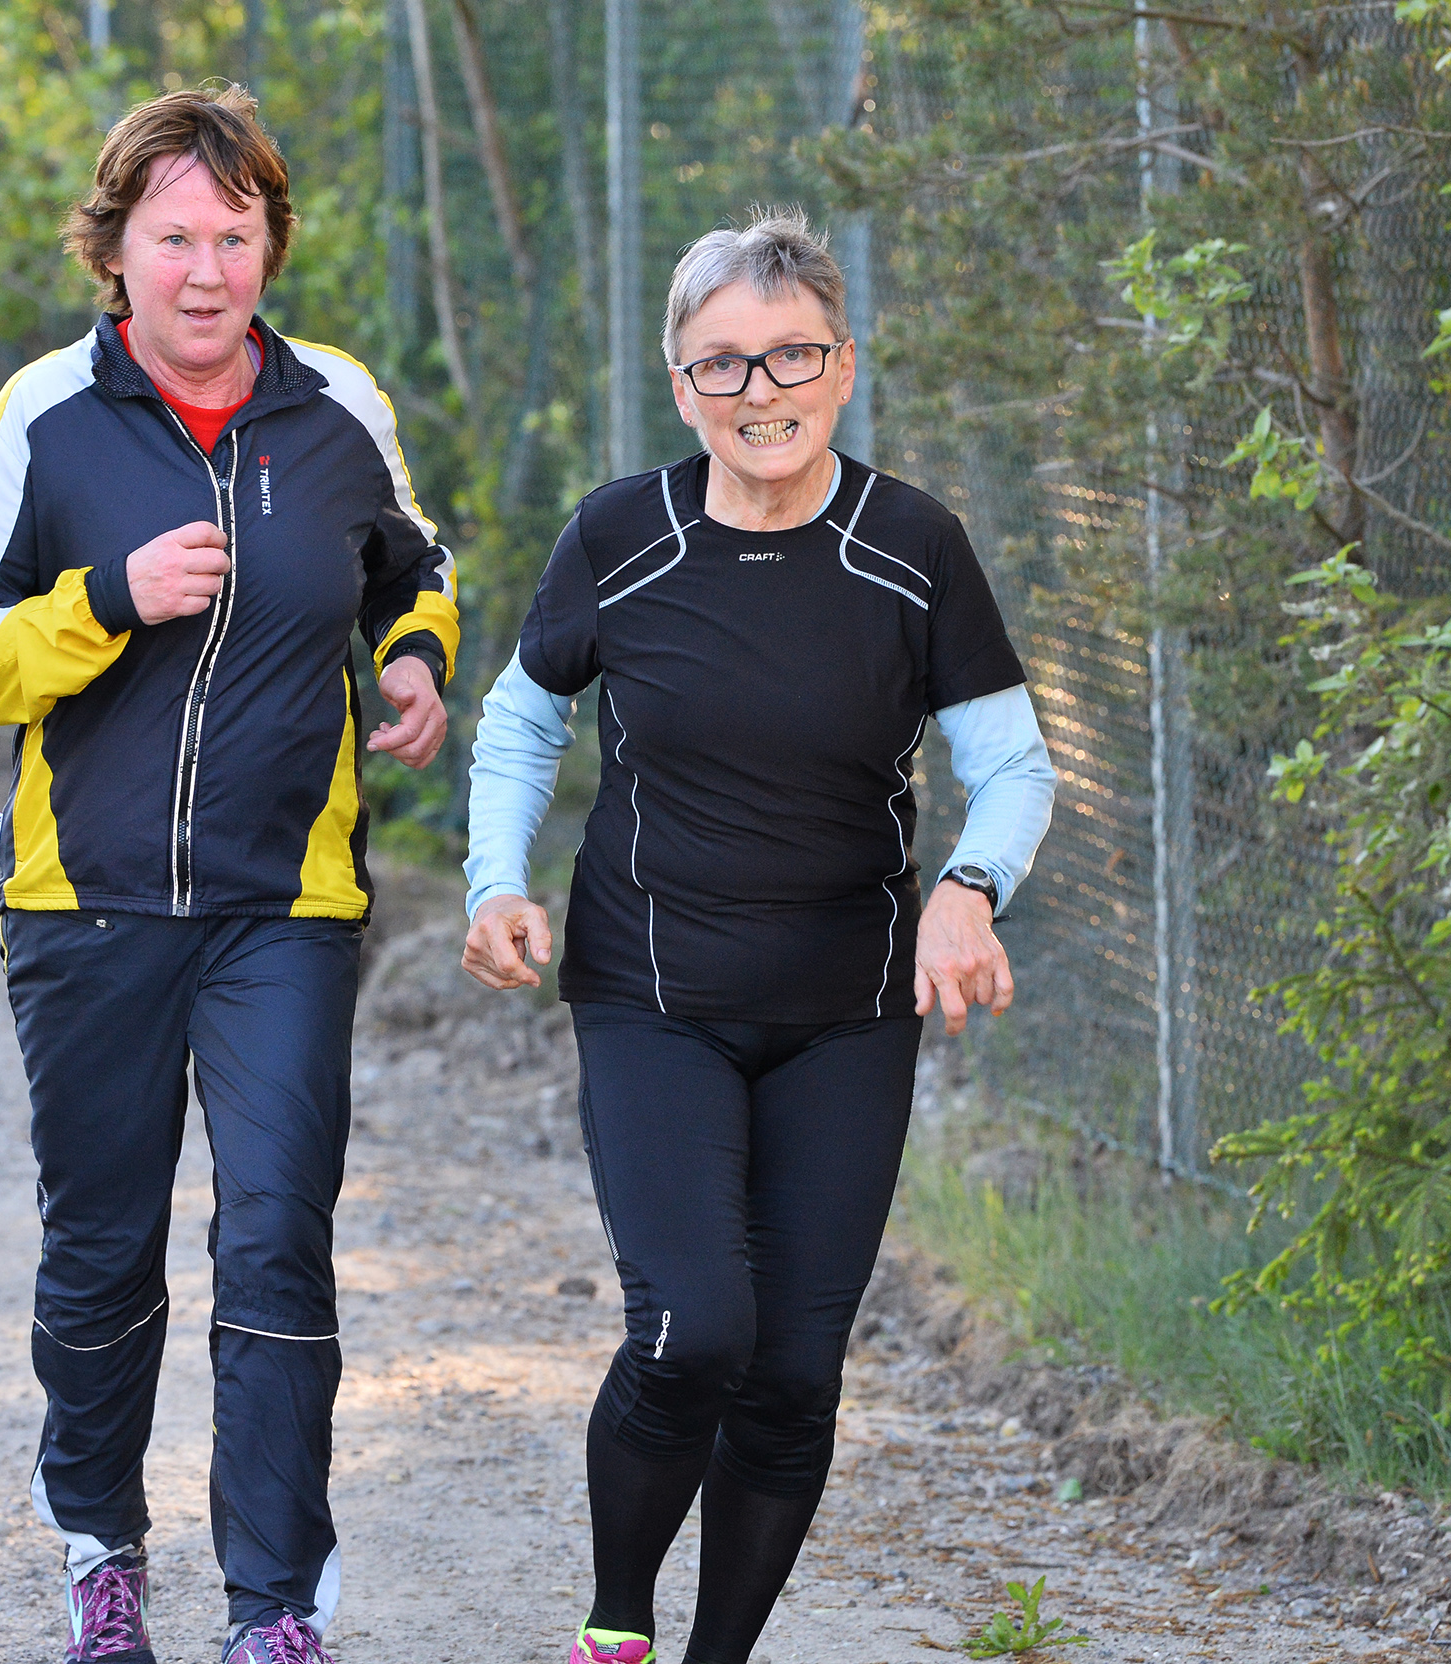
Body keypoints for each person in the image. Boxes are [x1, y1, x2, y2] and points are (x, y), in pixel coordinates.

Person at [460, 209, 1057, 1664]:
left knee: (792, 1376)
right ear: (681, 385)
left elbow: (1015, 765)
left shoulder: (914, 549)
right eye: (721, 364)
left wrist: (970, 888)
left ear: (842, 366)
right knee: (697, 1331)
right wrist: (494, 879)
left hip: (846, 1014)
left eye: (789, 355)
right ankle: (617, 1626)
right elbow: (524, 717)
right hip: (653, 992)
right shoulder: (621, 536)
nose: (758, 391)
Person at [0, 86, 458, 1664]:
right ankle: (101, 1549)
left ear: (271, 242)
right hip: (81, 907)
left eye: (236, 235)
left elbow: (410, 560)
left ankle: (275, 1605)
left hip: (285, 907)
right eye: (175, 236)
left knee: (279, 1233)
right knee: (104, 1249)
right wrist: (107, 597)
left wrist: (417, 658)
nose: (207, 269)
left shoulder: (338, 404)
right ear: (118, 247)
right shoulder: (43, 417)